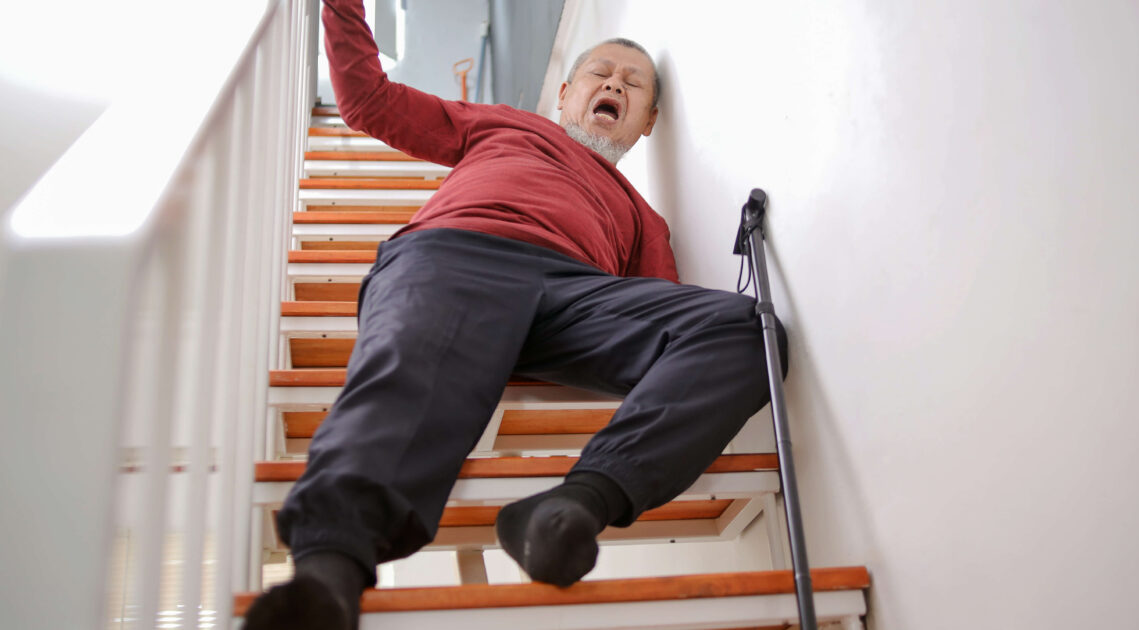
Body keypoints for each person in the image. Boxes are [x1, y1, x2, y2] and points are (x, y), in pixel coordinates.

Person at [243, 1, 783, 628]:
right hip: (458, 257)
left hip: (576, 296)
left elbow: (664, 344)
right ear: (565, 94)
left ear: (648, 122)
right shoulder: (502, 123)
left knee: (746, 328)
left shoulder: (645, 217)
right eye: (600, 73)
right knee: (404, 376)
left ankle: (577, 504)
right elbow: (369, 101)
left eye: (632, 84)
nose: (614, 85)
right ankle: (328, 575)